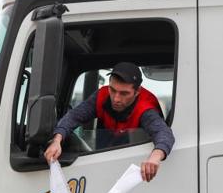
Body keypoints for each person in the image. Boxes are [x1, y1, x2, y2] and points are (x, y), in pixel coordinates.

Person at [44, 62, 175, 182]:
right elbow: (74, 117)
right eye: (112, 90)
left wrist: (155, 157)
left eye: (124, 93)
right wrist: (57, 140)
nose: (116, 98)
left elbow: (163, 133)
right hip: (103, 159)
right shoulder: (101, 96)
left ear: (137, 92)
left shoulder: (146, 108)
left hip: (134, 168)